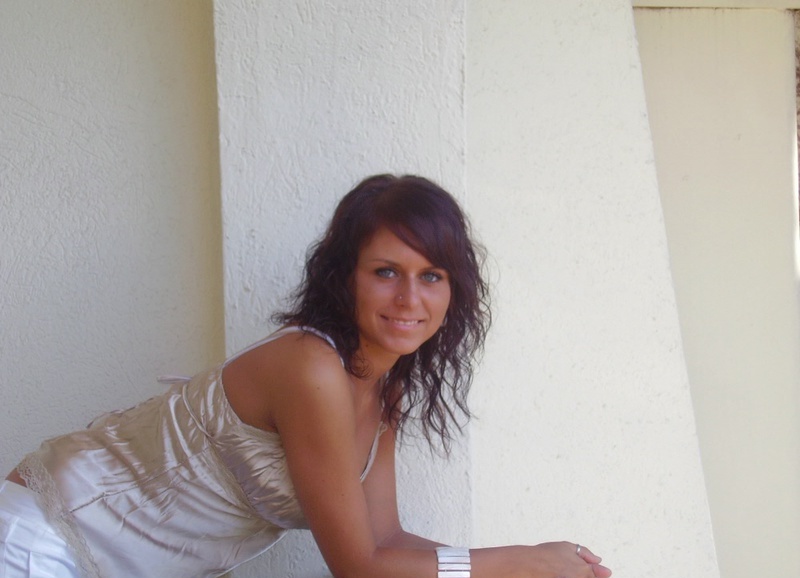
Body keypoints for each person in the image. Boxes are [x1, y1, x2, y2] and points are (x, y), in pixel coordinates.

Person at [1, 174, 612, 578]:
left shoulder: (385, 389)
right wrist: (516, 563)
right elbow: (358, 566)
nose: (410, 298)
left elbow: (385, 541)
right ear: (345, 276)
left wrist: (533, 564)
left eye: (431, 276)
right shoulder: (311, 367)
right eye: (386, 272)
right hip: (48, 535)